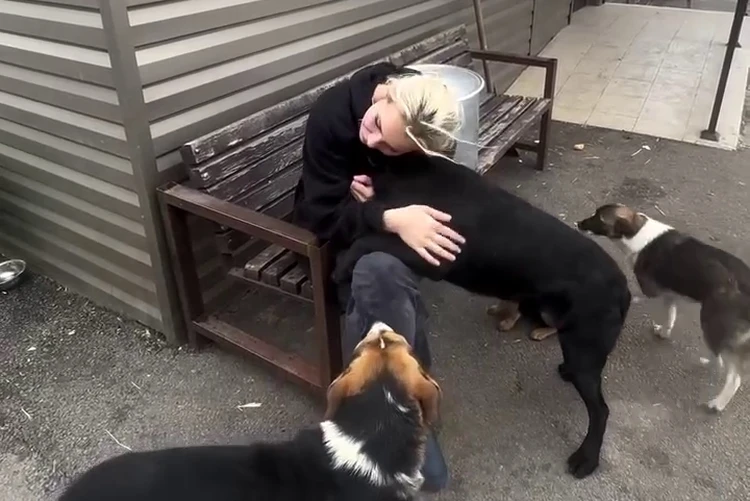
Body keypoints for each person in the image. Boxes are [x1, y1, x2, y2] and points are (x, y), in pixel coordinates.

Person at [292, 61, 467, 493]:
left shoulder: (422, 119)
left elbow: (426, 185)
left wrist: (383, 197)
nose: (372, 142)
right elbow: (319, 213)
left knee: (380, 274)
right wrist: (384, 215)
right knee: (377, 273)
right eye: (375, 127)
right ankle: (406, 414)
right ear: (384, 92)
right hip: (332, 228)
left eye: (390, 149)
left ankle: (389, 416)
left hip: (380, 223)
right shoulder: (332, 116)